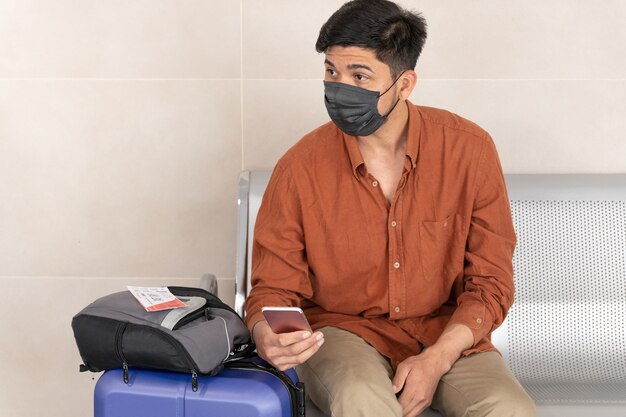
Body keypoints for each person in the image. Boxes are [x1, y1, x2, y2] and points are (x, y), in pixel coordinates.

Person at [244, 1, 536, 416]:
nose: (339, 88)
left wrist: (437, 359)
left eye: (359, 76)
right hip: (342, 333)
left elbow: (490, 283)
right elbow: (275, 290)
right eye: (331, 72)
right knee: (361, 399)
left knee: (509, 410)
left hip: (445, 331)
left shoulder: (470, 151)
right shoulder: (298, 168)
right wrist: (272, 335)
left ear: (405, 84)